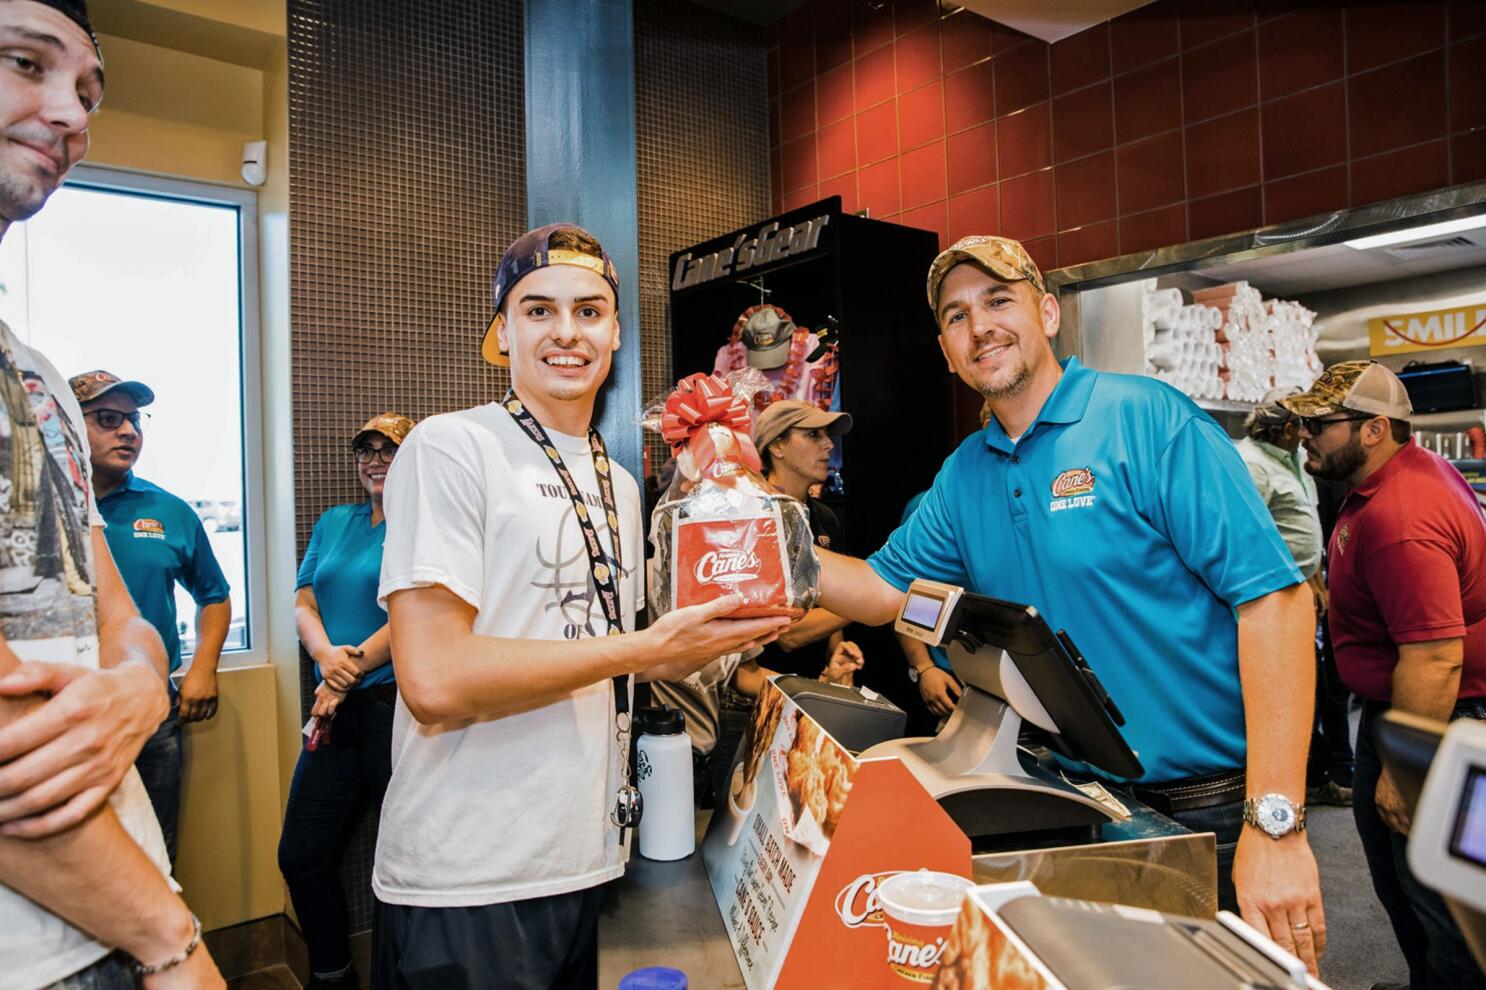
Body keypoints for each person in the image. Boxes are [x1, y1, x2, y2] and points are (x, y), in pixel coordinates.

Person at [811, 234, 1327, 975]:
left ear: (1047, 312)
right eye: (957, 316)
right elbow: (879, 591)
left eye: (998, 300)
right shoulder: (964, 475)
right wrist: (765, 548)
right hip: (1084, 803)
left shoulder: (1148, 421)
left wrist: (1275, 826)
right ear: (946, 351)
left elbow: (1275, 605)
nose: (979, 325)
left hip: (1217, 811)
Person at [374, 223, 789, 989]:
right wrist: (646, 652)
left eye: (589, 311)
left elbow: (595, 638)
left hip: (583, 861)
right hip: (471, 878)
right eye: (538, 311)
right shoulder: (451, 447)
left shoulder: (621, 483)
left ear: (616, 330)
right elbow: (432, 683)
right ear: (502, 330)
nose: (567, 332)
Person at [0, 2, 222, 986]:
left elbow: (117, 613)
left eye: (88, 92)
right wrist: (170, 943)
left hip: (112, 911)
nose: (70, 113)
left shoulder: (30, 373)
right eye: (23, 62)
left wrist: (143, 685)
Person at [1284, 361, 1486, 990]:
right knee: (1414, 887)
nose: (1305, 434)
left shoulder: (1400, 517)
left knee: (1442, 902)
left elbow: (1434, 656)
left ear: (1374, 430)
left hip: (1435, 723)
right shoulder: (1400, 479)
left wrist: (1405, 771)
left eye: (1321, 423)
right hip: (1409, 716)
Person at [70, 369, 232, 863]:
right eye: (108, 419)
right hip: (63, 706)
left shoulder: (169, 511)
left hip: (151, 709)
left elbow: (215, 595)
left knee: (155, 855)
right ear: (67, 427)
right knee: (74, 860)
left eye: (135, 421)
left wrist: (203, 666)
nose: (128, 432)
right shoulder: (43, 507)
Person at [280, 412, 412, 990]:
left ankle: (397, 979)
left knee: (401, 865)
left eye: (389, 449)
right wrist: (326, 657)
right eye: (366, 449)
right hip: (333, 715)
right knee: (301, 856)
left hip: (392, 711)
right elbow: (304, 596)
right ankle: (333, 976)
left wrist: (341, 676)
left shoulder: (424, 524)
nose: (375, 459)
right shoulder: (336, 521)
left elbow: (417, 612)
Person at [1235, 389, 1351, 807]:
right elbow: (1248, 539)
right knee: (1283, 692)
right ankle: (1281, 792)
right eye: (1304, 425)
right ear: (1286, 429)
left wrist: (1315, 579)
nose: (1309, 435)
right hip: (1274, 599)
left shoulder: (1292, 462)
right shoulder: (1253, 466)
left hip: (1302, 588)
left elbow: (1301, 527)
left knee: (1310, 687)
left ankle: (1311, 775)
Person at [748, 399, 864, 684]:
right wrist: (876, 600)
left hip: (812, 688)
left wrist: (837, 657)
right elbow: (788, 634)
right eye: (813, 434)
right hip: (757, 694)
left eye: (827, 435)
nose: (829, 445)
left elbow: (827, 601)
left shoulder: (825, 518)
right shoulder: (752, 516)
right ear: (777, 447)